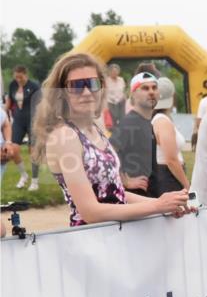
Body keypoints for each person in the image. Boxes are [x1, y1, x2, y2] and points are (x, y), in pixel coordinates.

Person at [30, 52, 191, 227]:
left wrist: (165, 205)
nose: (86, 92)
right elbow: (90, 212)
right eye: (76, 86)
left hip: (114, 237)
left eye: (92, 83)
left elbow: (115, 192)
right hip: (92, 242)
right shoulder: (65, 136)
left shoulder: (94, 130)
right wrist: (157, 205)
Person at [111, 72, 160, 196]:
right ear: (133, 94)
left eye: (154, 87)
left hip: (154, 195)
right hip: (138, 197)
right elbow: (108, 152)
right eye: (145, 88)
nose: (151, 92)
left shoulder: (154, 121)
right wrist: (125, 181)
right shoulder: (129, 122)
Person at [6, 65, 41, 191]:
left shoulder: (34, 86)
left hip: (33, 120)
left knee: (33, 152)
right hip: (18, 120)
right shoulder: (13, 85)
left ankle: (35, 181)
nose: (18, 80)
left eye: (20, 77)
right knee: (13, 149)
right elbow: (10, 101)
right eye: (16, 77)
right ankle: (23, 175)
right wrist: (5, 116)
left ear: (25, 75)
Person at [150, 79, 189, 193]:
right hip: (169, 178)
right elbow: (171, 160)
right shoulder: (162, 121)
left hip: (167, 176)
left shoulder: (159, 118)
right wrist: (187, 185)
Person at [105, 64, 127, 128]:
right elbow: (105, 92)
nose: (115, 73)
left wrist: (124, 96)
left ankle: (122, 129)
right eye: (113, 71)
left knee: (122, 116)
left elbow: (123, 90)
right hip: (111, 101)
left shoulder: (121, 79)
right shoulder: (107, 81)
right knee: (114, 116)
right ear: (110, 72)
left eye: (116, 71)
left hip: (121, 100)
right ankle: (114, 129)